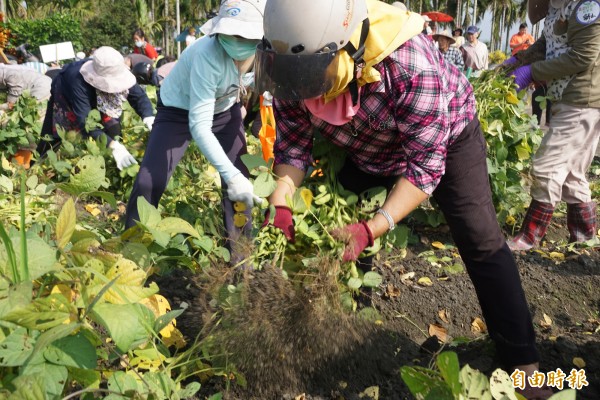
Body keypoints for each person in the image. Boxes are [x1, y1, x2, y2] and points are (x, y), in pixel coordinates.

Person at [255, 0, 549, 398]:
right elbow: (292, 149)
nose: (302, 89)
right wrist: (283, 200)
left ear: (348, 51)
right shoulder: (293, 67)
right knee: (344, 230)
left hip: (445, 138)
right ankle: (351, 319)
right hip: (366, 143)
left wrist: (374, 226)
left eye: (311, 78)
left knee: (480, 239)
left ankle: (523, 362)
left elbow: (425, 169)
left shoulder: (411, 64)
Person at [124, 0, 265, 261]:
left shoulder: (266, 55)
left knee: (241, 183)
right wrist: (229, 174)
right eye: (229, 33)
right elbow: (199, 125)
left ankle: (242, 261)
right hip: (178, 110)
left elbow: (269, 94)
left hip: (225, 110)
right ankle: (130, 252)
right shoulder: (207, 55)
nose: (235, 40)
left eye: (243, 35)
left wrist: (236, 176)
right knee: (148, 180)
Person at [506, 0, 599, 251]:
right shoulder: (555, 6)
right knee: (571, 174)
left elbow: (584, 55)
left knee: (546, 167)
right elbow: (548, 43)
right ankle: (584, 239)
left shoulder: (586, 6)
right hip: (564, 98)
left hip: (581, 100)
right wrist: (517, 62)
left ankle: (529, 237)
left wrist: (533, 72)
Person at [35, 46, 156, 170]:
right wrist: (113, 146)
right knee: (54, 135)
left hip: (92, 87)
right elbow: (85, 121)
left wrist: (148, 116)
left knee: (113, 127)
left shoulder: (118, 70)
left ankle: (109, 166)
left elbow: (139, 97)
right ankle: (37, 167)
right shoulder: (76, 80)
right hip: (66, 94)